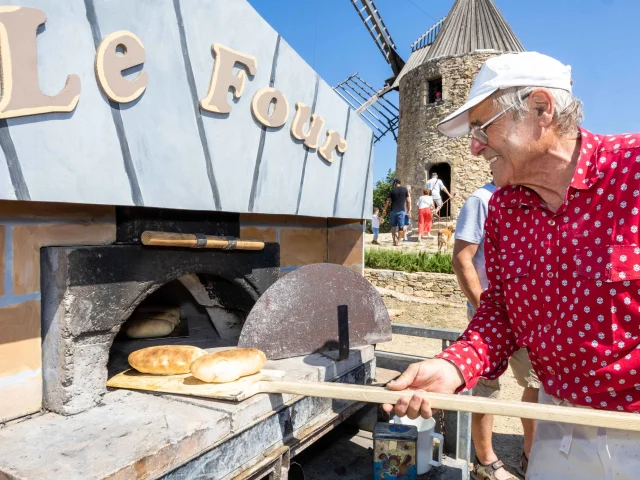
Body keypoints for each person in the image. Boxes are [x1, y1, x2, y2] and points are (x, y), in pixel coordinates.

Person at [382, 51, 640, 479]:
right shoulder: (503, 208)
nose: (473, 146)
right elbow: (500, 309)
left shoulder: (634, 171)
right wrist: (453, 365)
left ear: (541, 109)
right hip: (558, 430)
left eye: (482, 127)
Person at [453, 182, 540, 479]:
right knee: (487, 385)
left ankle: (532, 455)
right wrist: (485, 313)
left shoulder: (530, 197)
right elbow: (463, 258)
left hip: (526, 314)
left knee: (536, 383)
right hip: (491, 310)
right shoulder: (481, 199)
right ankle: (486, 461)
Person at [381, 178, 410, 247]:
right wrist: (409, 210)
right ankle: (399, 242)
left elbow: (387, 201)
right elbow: (408, 201)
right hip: (401, 211)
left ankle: (394, 241)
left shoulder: (392, 191)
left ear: (395, 183)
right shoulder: (405, 190)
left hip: (393, 210)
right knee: (401, 227)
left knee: (393, 226)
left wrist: (384, 210)